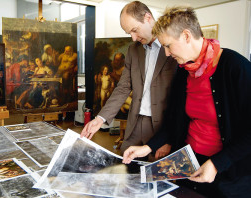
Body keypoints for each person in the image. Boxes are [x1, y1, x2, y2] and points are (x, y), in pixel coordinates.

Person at [122, 6, 251, 197]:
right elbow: (174, 121)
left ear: (186, 36)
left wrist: (217, 163)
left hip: (227, 175)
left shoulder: (236, 67)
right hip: (188, 164)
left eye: (167, 45)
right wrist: (148, 147)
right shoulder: (184, 70)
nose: (166, 53)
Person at [81, 1, 177, 155]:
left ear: (148, 18)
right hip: (135, 122)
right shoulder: (133, 50)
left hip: (162, 125)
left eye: (135, 30)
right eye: (129, 33)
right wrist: (100, 119)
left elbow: (182, 97)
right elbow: (123, 87)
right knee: (126, 167)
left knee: (153, 174)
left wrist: (171, 138)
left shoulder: (173, 46)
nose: (133, 38)